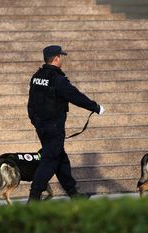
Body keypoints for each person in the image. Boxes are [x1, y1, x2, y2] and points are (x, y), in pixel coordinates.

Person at [27, 45, 105, 201]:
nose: (61, 59)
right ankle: (34, 197)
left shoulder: (37, 77)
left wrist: (35, 121)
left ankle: (73, 194)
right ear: (56, 58)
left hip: (41, 126)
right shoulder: (58, 80)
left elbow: (30, 103)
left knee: (60, 158)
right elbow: (75, 96)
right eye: (61, 56)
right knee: (49, 161)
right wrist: (95, 107)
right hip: (54, 127)